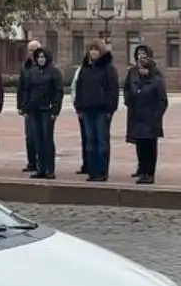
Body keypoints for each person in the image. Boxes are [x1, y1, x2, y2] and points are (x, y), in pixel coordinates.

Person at [72, 40, 119, 182]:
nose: (93, 52)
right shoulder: (85, 68)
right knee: (90, 141)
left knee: (102, 141)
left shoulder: (108, 69)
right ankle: (92, 171)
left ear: (101, 51)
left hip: (102, 110)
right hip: (87, 110)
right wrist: (78, 107)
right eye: (91, 49)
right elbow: (79, 88)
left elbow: (113, 90)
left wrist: (110, 109)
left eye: (96, 49)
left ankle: (102, 172)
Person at [123, 44, 167, 184]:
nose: (141, 57)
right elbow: (127, 88)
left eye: (144, 54)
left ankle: (149, 172)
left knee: (150, 145)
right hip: (136, 114)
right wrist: (128, 100)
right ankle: (142, 169)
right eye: (139, 54)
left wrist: (156, 116)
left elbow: (162, 100)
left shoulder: (156, 76)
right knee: (139, 143)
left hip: (150, 116)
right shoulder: (132, 72)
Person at [19, 46, 63, 180]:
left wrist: (55, 109)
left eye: (43, 57)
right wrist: (25, 107)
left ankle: (50, 169)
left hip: (47, 110)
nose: (41, 59)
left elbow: (58, 92)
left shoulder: (54, 72)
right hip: (34, 110)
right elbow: (27, 90)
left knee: (47, 139)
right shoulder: (33, 72)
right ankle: (41, 168)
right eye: (38, 57)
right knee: (37, 140)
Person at [18, 39, 42, 172]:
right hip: (28, 107)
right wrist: (20, 106)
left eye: (35, 50)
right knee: (30, 137)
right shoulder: (25, 67)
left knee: (41, 136)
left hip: (42, 108)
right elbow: (21, 87)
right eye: (30, 50)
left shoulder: (44, 66)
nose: (32, 53)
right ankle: (31, 162)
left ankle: (41, 163)